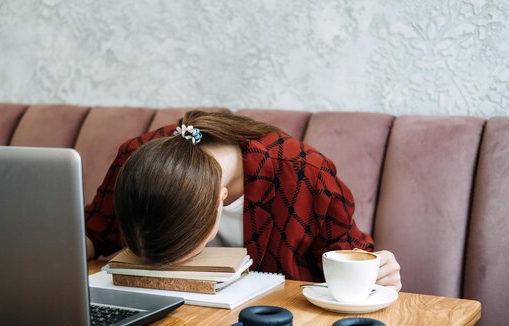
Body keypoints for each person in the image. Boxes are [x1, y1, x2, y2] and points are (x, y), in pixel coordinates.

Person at [85, 111, 401, 291]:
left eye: (182, 252)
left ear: (218, 201)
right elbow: (96, 232)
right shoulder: (139, 161)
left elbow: (348, 258)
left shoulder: (304, 175)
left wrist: (379, 273)